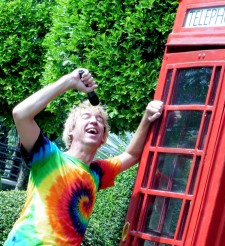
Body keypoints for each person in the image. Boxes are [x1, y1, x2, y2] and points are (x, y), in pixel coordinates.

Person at [4, 68, 163, 246]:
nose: (94, 121)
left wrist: (147, 117)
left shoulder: (97, 173)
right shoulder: (49, 156)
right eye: (86, 117)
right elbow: (21, 115)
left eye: (100, 120)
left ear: (102, 137)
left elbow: (132, 154)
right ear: (71, 131)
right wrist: (69, 81)